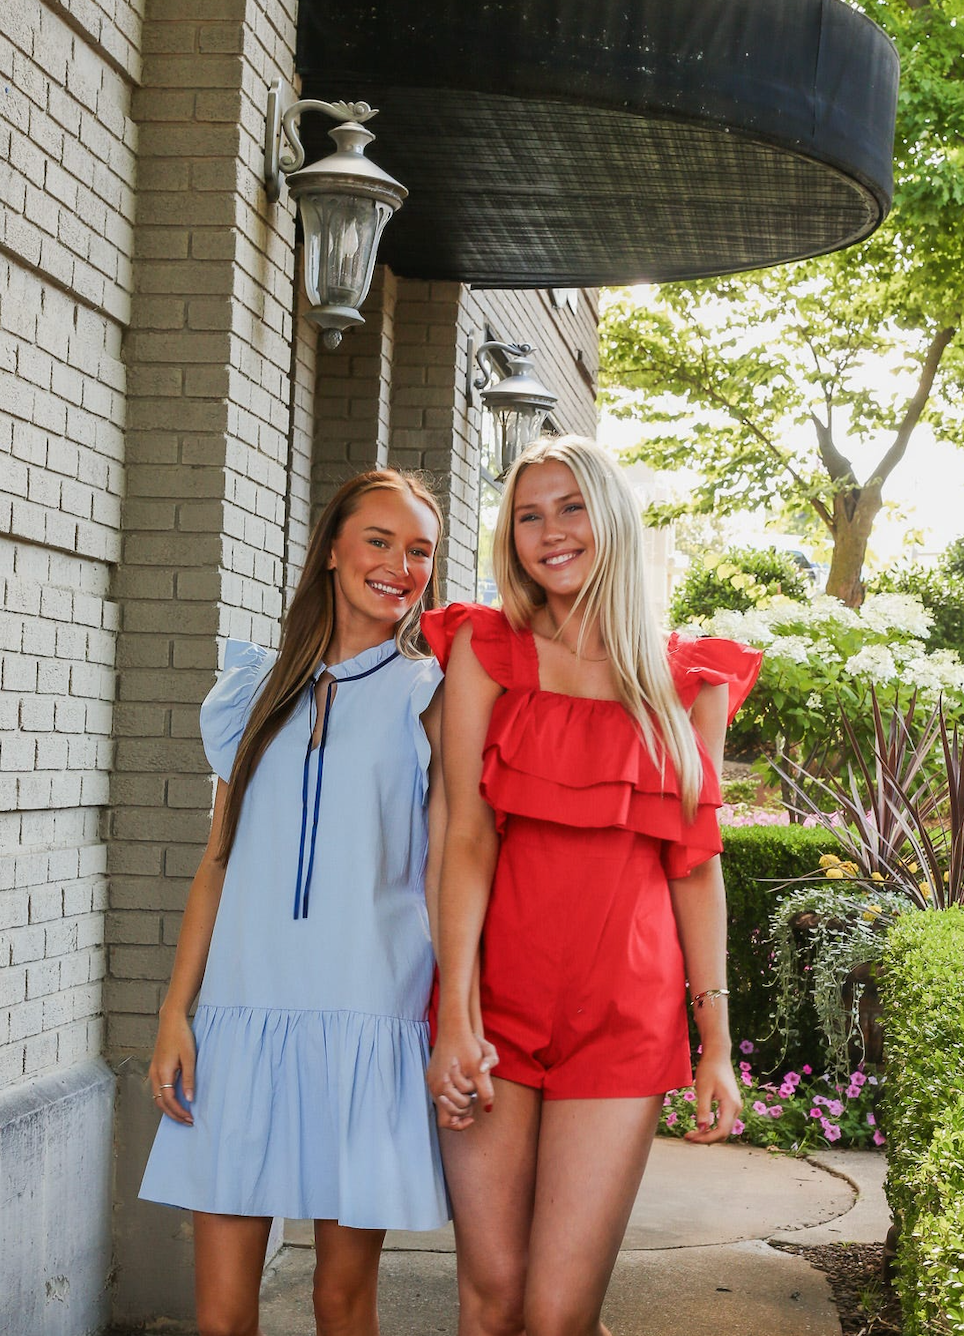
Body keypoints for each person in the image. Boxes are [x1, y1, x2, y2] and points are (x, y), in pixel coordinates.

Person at [422, 435, 762, 1336]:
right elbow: (462, 836)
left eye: (570, 507)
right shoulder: (485, 652)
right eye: (528, 515)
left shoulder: (689, 682)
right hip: (498, 1008)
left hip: (623, 1022)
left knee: (559, 1314)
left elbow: (695, 866)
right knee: (489, 1302)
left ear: (610, 517)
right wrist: (454, 1015)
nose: (550, 532)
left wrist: (714, 1043)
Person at [140, 469, 451, 1336]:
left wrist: (456, 1013)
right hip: (243, 1021)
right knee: (222, 1316)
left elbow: (447, 868)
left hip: (369, 1018)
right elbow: (218, 859)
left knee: (342, 1302)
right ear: (332, 552)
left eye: (419, 549)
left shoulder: (431, 696)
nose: (399, 565)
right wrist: (176, 1011)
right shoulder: (253, 692)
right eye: (379, 541)